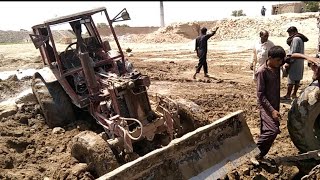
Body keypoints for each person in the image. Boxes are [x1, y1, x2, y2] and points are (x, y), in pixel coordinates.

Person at [250, 46, 286, 165]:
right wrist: (272, 110)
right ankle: (252, 153)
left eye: (281, 61)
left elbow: (291, 57)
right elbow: (260, 95)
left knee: (267, 131)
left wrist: (308, 57)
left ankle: (260, 155)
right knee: (272, 131)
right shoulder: (262, 71)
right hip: (266, 106)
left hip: (275, 105)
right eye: (278, 60)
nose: (280, 63)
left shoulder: (276, 65)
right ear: (270, 58)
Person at [281, 26, 309, 100]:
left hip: (294, 62)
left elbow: (293, 52)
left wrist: (288, 62)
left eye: (290, 33)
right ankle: (294, 94)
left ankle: (288, 95)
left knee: (291, 80)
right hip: (300, 62)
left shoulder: (296, 39)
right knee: (297, 80)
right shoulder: (300, 39)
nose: (289, 35)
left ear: (293, 32)